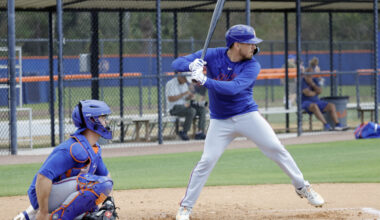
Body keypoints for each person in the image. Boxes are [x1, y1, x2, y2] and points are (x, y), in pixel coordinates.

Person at [171, 24, 325, 220]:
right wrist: (190, 65)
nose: (254, 47)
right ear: (236, 44)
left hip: (247, 116)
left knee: (276, 148)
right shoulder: (212, 54)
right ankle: (186, 206)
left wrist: (205, 81)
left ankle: (303, 186)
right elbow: (176, 63)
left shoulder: (253, 65)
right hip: (220, 121)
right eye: (250, 43)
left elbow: (233, 88)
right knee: (207, 161)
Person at [13, 100, 118, 220]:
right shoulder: (74, 148)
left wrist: (108, 200)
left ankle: (29, 216)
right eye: (103, 117)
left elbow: (106, 175)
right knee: (98, 184)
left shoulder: (93, 148)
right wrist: (43, 211)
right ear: (92, 121)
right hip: (41, 196)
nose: (107, 122)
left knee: (93, 213)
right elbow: (42, 177)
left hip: (57, 193)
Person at [302, 59, 347, 131]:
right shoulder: (302, 81)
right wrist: (315, 92)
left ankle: (337, 124)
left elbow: (320, 91)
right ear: (305, 76)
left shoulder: (314, 80)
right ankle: (326, 125)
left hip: (317, 101)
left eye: (311, 75)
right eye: (309, 76)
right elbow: (307, 93)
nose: (310, 77)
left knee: (331, 105)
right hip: (305, 103)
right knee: (314, 106)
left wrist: (312, 84)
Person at [166, 73, 207, 140]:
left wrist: (189, 96)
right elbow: (170, 99)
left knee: (202, 109)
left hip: (184, 107)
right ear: (180, 77)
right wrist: (183, 94)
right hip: (174, 108)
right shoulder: (171, 84)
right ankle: (184, 132)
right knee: (191, 111)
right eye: (185, 79)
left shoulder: (184, 84)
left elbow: (185, 98)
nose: (185, 81)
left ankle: (200, 132)